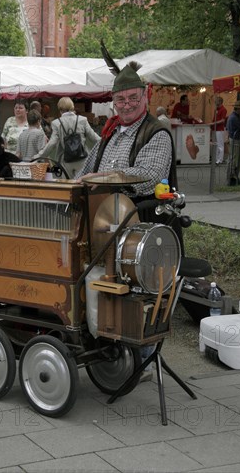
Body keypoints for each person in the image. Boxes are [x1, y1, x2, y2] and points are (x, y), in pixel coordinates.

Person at [76, 58, 180, 382]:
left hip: (145, 229)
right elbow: (84, 172)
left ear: (145, 95)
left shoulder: (157, 132)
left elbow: (151, 177)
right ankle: (110, 345)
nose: (127, 104)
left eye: (133, 97)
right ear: (113, 101)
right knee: (98, 281)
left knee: (137, 293)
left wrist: (106, 177)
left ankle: (143, 358)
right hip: (108, 225)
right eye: (120, 99)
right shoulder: (109, 133)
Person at [36, 97, 100, 178]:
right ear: (72, 107)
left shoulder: (56, 123)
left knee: (68, 187)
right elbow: (95, 138)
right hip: (82, 160)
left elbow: (52, 144)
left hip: (65, 162)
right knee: (83, 186)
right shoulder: (82, 120)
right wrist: (108, 143)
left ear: (60, 109)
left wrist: (38, 156)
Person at [226, 99, 240, 186]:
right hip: (236, 140)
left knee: (235, 159)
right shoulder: (234, 118)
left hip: (236, 139)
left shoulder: (233, 116)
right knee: (234, 159)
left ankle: (233, 177)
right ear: (238, 109)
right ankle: (232, 178)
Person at [212, 96, 228, 165]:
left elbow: (223, 120)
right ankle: (216, 159)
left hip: (220, 129)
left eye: (216, 101)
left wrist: (214, 123)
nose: (215, 102)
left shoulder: (223, 109)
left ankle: (220, 159)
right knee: (216, 144)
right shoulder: (216, 109)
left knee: (220, 144)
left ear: (220, 102)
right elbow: (214, 118)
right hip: (215, 128)